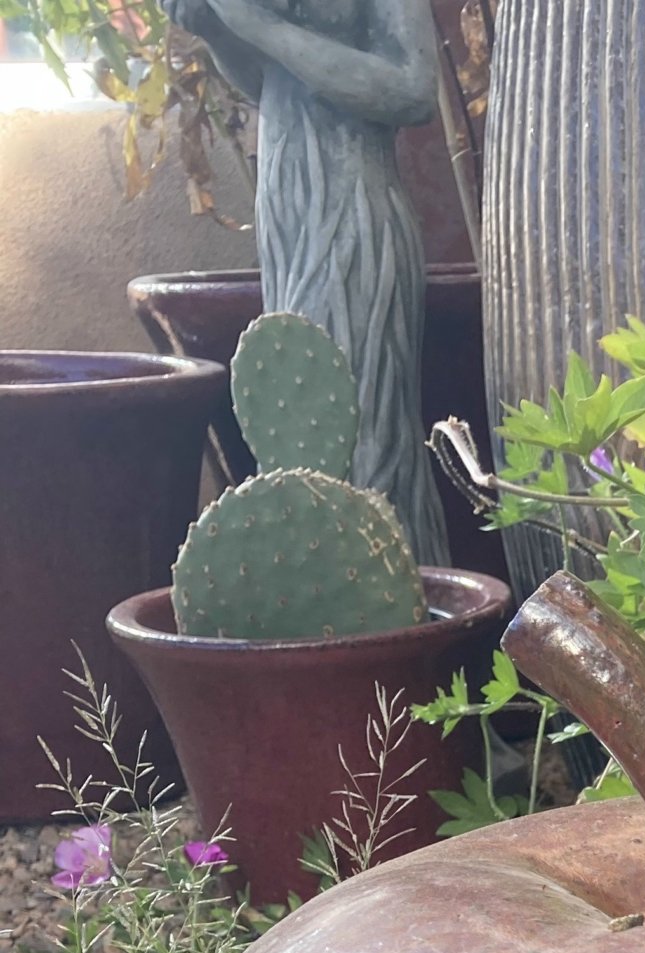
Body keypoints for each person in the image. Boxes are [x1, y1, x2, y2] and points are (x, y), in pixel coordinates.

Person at [167, 0, 450, 564]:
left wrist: (256, 24)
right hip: (287, 202)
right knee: (298, 408)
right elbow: (272, 79)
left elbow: (412, 90)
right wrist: (219, 35)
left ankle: (394, 595)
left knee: (365, 412)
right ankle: (315, 592)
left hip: (354, 201)